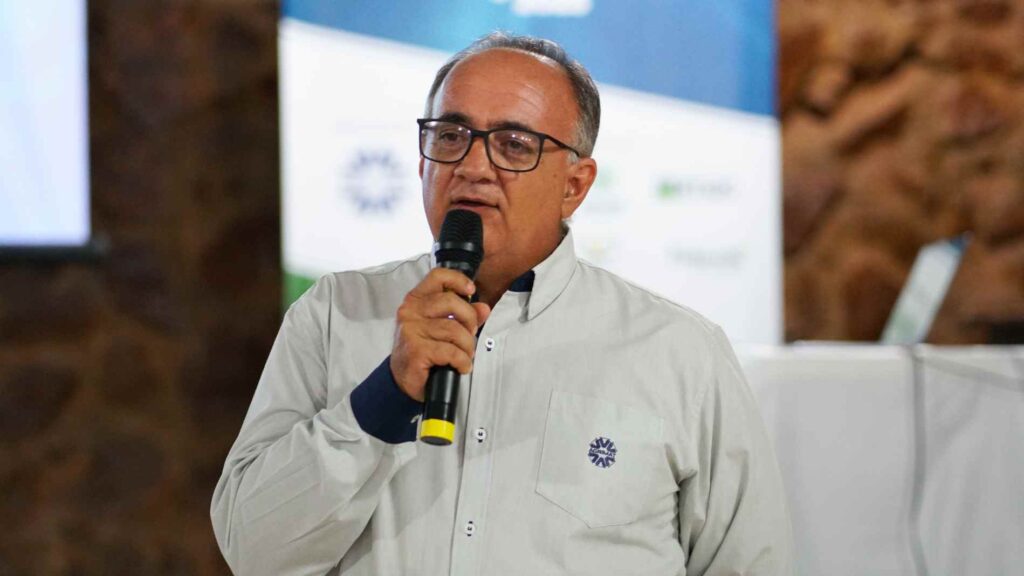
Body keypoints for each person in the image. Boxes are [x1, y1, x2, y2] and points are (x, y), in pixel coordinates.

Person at [212, 32, 793, 575]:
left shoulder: (681, 353)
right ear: (422, 160)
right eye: (450, 135)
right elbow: (253, 550)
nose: (472, 166)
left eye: (514, 145)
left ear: (575, 185)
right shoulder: (335, 313)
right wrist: (383, 397)